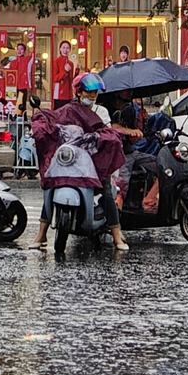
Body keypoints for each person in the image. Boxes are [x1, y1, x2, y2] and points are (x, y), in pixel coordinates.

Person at [28, 72, 130, 252]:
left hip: (94, 160)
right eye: (88, 92)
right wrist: (41, 127)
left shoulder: (101, 112)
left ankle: (116, 235)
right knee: (51, 184)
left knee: (107, 191)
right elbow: (53, 120)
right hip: (70, 159)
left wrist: (102, 136)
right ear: (79, 93)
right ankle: (42, 233)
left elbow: (106, 130)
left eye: (95, 93)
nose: (92, 96)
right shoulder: (67, 109)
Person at [9, 43, 34, 115]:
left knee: (22, 104)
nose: (19, 51)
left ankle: (23, 118)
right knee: (13, 103)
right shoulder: (12, 62)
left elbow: (34, 54)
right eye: (18, 49)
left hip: (23, 85)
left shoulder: (27, 60)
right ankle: (14, 117)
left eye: (21, 49)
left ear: (24, 51)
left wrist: (32, 40)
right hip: (13, 87)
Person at [51, 40, 75, 109]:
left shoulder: (71, 63)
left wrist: (76, 73)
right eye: (63, 48)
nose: (65, 50)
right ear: (60, 49)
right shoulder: (56, 61)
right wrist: (64, 71)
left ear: (70, 50)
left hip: (68, 93)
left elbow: (71, 80)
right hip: (59, 93)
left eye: (67, 48)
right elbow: (55, 78)